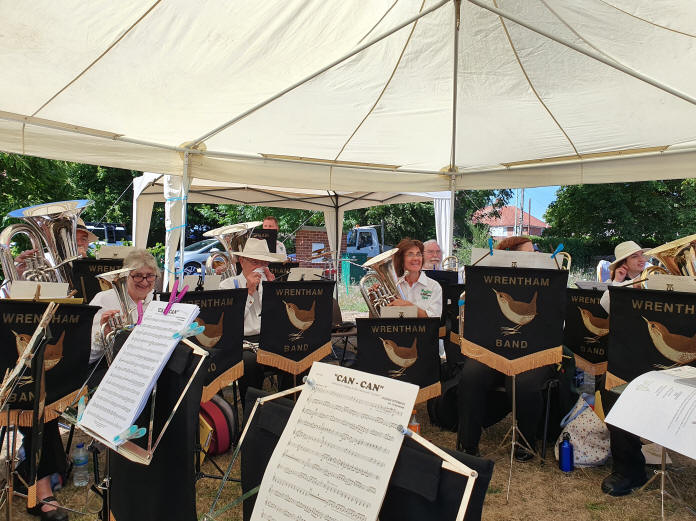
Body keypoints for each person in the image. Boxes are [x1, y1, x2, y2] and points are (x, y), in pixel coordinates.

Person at [11, 219, 96, 521]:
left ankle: (31, 470)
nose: (79, 242)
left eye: (82, 237)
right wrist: (17, 277)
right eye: (75, 236)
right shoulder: (37, 267)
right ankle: (41, 489)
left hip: (58, 357)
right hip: (19, 363)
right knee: (37, 406)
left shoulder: (81, 271)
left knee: (49, 399)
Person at [456, 236, 553, 461]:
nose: (535, 256)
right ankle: (467, 444)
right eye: (529, 252)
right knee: (471, 376)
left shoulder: (547, 278)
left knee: (524, 383)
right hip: (492, 348)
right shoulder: (489, 279)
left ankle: (526, 442)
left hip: (533, 349)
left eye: (534, 252)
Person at [598, 241, 650, 496]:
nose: (641, 259)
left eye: (642, 255)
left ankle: (632, 465)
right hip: (628, 357)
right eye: (634, 256)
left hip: (654, 359)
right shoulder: (619, 285)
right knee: (610, 394)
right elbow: (606, 305)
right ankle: (627, 467)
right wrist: (618, 281)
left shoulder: (656, 280)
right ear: (623, 264)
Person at [219, 238, 286, 400]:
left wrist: (273, 291)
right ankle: (252, 409)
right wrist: (248, 292)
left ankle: (287, 405)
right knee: (249, 363)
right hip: (241, 342)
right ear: (242, 261)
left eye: (264, 263)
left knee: (295, 352)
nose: (259, 267)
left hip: (267, 340)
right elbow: (230, 324)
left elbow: (280, 320)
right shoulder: (228, 285)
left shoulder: (268, 284)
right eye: (255, 262)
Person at [89, 250, 159, 371]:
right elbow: (89, 356)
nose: (144, 281)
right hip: (110, 369)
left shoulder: (159, 301)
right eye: (138, 275)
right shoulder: (103, 299)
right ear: (125, 275)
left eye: (150, 275)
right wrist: (103, 335)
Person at [387, 238, 442, 318]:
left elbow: (435, 318)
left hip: (424, 326)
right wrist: (373, 302)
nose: (416, 258)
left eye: (418, 254)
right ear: (401, 259)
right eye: (410, 254)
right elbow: (379, 317)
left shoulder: (433, 286)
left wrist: (408, 306)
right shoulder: (392, 285)